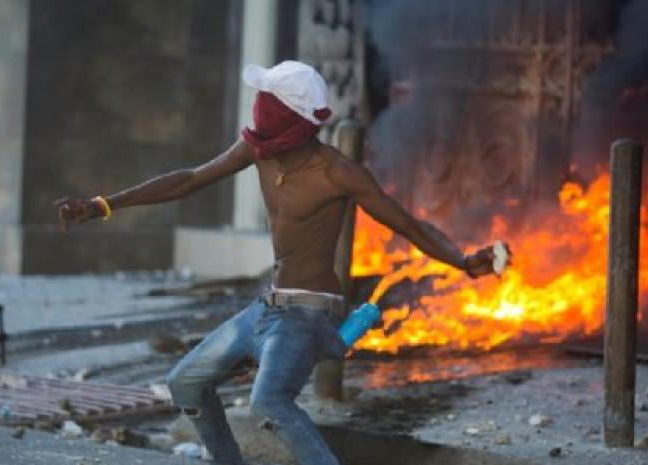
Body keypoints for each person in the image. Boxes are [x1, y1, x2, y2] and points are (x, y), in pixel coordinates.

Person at [55, 60, 504, 465]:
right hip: (268, 307)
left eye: (269, 104)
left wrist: (463, 261)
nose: (258, 112)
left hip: (310, 313)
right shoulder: (258, 152)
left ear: (293, 120)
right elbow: (189, 179)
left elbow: (407, 224)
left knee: (269, 403)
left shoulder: (336, 172)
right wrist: (104, 205)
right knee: (185, 383)